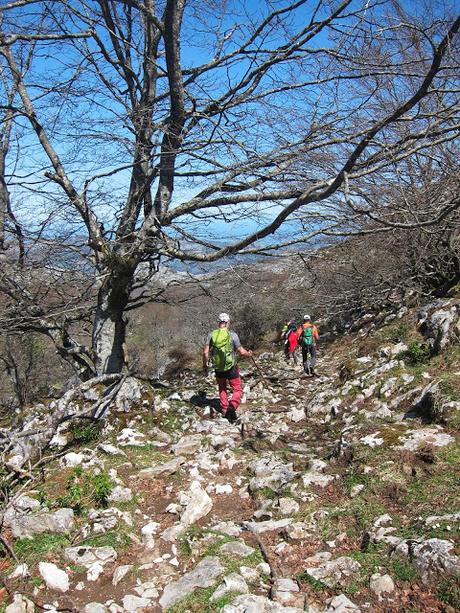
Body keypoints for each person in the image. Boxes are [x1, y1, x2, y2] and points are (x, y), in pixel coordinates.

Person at [203, 313, 252, 423]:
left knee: (222, 388)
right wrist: (249, 354)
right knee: (237, 389)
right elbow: (241, 351)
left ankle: (225, 409)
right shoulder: (232, 335)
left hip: (218, 368)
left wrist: (205, 366)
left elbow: (205, 352)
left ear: (219, 322)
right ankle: (233, 405)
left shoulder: (211, 335)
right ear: (228, 322)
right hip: (231, 368)